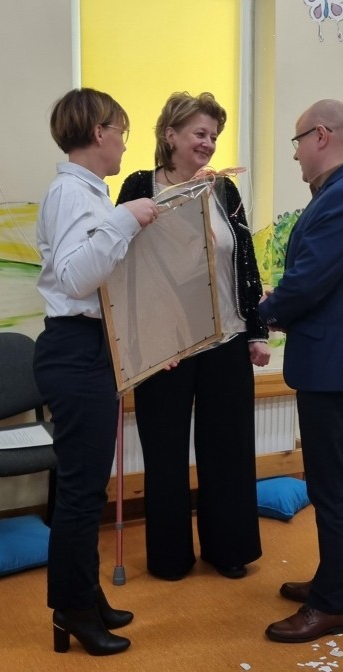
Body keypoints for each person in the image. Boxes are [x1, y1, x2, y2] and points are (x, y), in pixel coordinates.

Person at [116, 91, 270, 582]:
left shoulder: (224, 189)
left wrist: (257, 330)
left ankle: (228, 549)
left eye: (214, 136)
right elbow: (123, 265)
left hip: (225, 335)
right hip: (165, 343)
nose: (208, 143)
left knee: (228, 447)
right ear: (171, 135)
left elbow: (244, 260)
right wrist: (139, 338)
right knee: (164, 451)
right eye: (200, 133)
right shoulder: (140, 185)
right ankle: (170, 556)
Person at [259, 100, 343, 644]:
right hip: (337, 359)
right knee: (341, 479)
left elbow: (308, 281)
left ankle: (333, 604)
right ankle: (340, 582)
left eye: (296, 143)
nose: (294, 156)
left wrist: (263, 312)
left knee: (334, 484)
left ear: (320, 136)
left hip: (336, 364)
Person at [33, 88, 160, 656]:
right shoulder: (71, 194)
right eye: (121, 132)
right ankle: (73, 608)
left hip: (92, 347)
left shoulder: (89, 193)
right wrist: (125, 221)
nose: (125, 144)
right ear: (98, 132)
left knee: (88, 487)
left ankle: (86, 594)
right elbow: (76, 278)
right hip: (74, 349)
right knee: (82, 493)